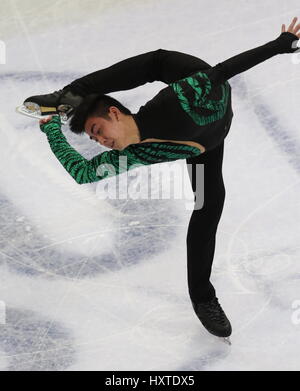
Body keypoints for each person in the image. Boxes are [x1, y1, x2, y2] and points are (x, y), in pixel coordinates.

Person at [23, 17, 300, 340]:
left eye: (97, 131)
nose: (99, 141)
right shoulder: (133, 154)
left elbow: (224, 70)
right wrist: (53, 131)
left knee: (154, 62)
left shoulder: (174, 101)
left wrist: (278, 46)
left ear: (114, 114)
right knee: (208, 206)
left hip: (199, 86)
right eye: (93, 138)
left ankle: (69, 96)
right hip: (205, 144)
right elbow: (84, 172)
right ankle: (203, 298)